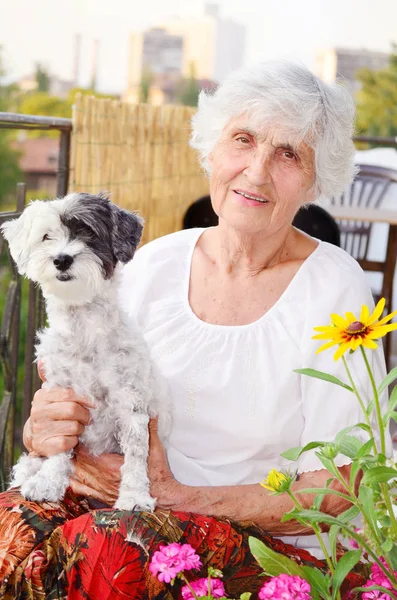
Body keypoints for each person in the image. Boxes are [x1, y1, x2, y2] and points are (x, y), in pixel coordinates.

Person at [0, 61, 391, 599]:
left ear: (315, 178)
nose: (256, 171)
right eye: (243, 139)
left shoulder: (335, 291)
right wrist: (42, 432)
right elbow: (71, 397)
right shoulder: (150, 266)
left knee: (110, 550)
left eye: (287, 153)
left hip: (260, 541)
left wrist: (175, 495)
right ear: (211, 149)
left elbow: (347, 484)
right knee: (12, 526)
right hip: (123, 504)